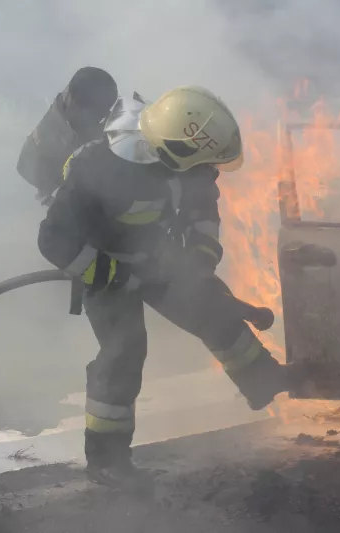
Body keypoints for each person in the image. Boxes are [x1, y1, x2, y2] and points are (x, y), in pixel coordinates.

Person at [37, 86, 288, 492]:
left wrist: (201, 262)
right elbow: (54, 241)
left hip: (157, 255)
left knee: (211, 309)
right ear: (176, 152)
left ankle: (264, 380)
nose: (210, 170)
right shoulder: (97, 167)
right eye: (204, 163)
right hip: (104, 265)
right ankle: (107, 460)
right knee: (124, 350)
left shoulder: (186, 161)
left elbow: (202, 210)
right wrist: (114, 275)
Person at [17, 67, 119, 203]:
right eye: (99, 112)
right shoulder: (59, 135)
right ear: (74, 102)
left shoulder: (72, 105)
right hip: (52, 187)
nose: (103, 115)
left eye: (105, 110)